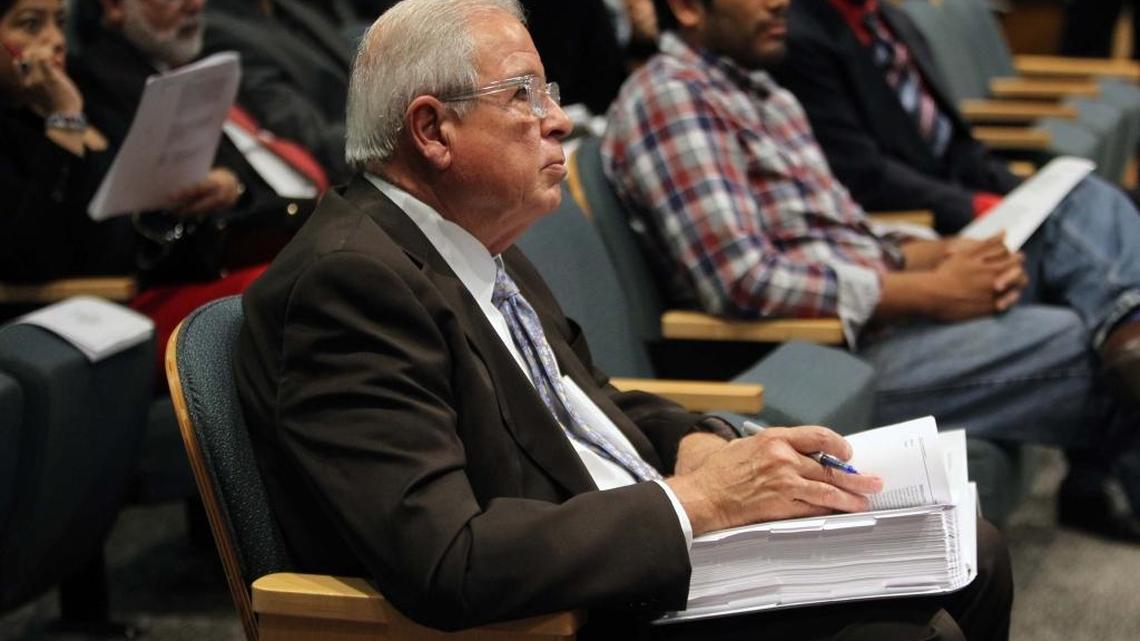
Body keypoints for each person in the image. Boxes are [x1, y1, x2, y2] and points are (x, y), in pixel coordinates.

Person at [234, 0, 1012, 639]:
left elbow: (585, 403)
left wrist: (698, 442)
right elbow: (449, 558)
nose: (561, 121)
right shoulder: (349, 283)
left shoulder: (466, 239)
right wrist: (704, 502)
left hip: (628, 541)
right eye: (523, 96)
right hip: (565, 613)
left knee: (967, 546)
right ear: (432, 131)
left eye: (551, 93)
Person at [603, 0, 1140, 540]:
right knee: (1088, 341)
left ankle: (1124, 326)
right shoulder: (673, 97)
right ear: (689, 8)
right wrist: (925, 291)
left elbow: (844, 230)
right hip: (829, 354)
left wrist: (929, 251)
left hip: (884, 319)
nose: (781, 2)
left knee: (1086, 203)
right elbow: (744, 280)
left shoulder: (765, 92)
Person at [63, 0, 329, 366]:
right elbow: (131, 227)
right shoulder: (93, 85)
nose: (195, 4)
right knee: (323, 281)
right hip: (160, 280)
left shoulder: (195, 67)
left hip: (248, 237)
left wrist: (240, 194)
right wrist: (241, 199)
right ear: (114, 7)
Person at [771, 0, 1022, 233]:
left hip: (962, 191)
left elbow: (949, 141)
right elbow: (862, 172)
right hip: (913, 219)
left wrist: (1019, 189)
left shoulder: (892, 20)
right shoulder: (800, 38)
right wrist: (972, 205)